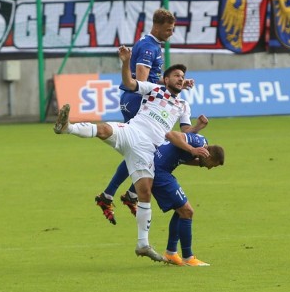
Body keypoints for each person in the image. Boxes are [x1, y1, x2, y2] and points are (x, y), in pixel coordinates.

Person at [54, 45, 209, 263]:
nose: (180, 79)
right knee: (104, 129)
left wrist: (199, 127)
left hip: (149, 148)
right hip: (133, 132)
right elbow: (129, 84)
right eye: (176, 75)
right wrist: (126, 62)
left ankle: (142, 244)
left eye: (183, 76)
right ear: (165, 79)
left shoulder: (184, 105)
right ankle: (67, 127)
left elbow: (184, 134)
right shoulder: (154, 89)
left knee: (144, 193)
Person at [93, 9, 199, 225]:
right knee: (147, 150)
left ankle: (116, 195)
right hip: (137, 101)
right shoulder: (150, 48)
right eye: (169, 30)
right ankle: (117, 195)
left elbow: (151, 79)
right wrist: (169, 85)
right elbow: (142, 82)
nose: (171, 34)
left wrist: (176, 83)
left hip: (132, 100)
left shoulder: (151, 44)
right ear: (158, 27)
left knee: (141, 150)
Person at [150, 131, 225, 266]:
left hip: (160, 170)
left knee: (182, 211)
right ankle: (188, 257)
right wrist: (192, 149)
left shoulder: (201, 146)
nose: (209, 169)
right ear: (208, 155)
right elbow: (171, 135)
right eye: (212, 165)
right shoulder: (198, 144)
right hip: (159, 173)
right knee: (187, 211)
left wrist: (198, 159)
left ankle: (171, 253)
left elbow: (182, 157)